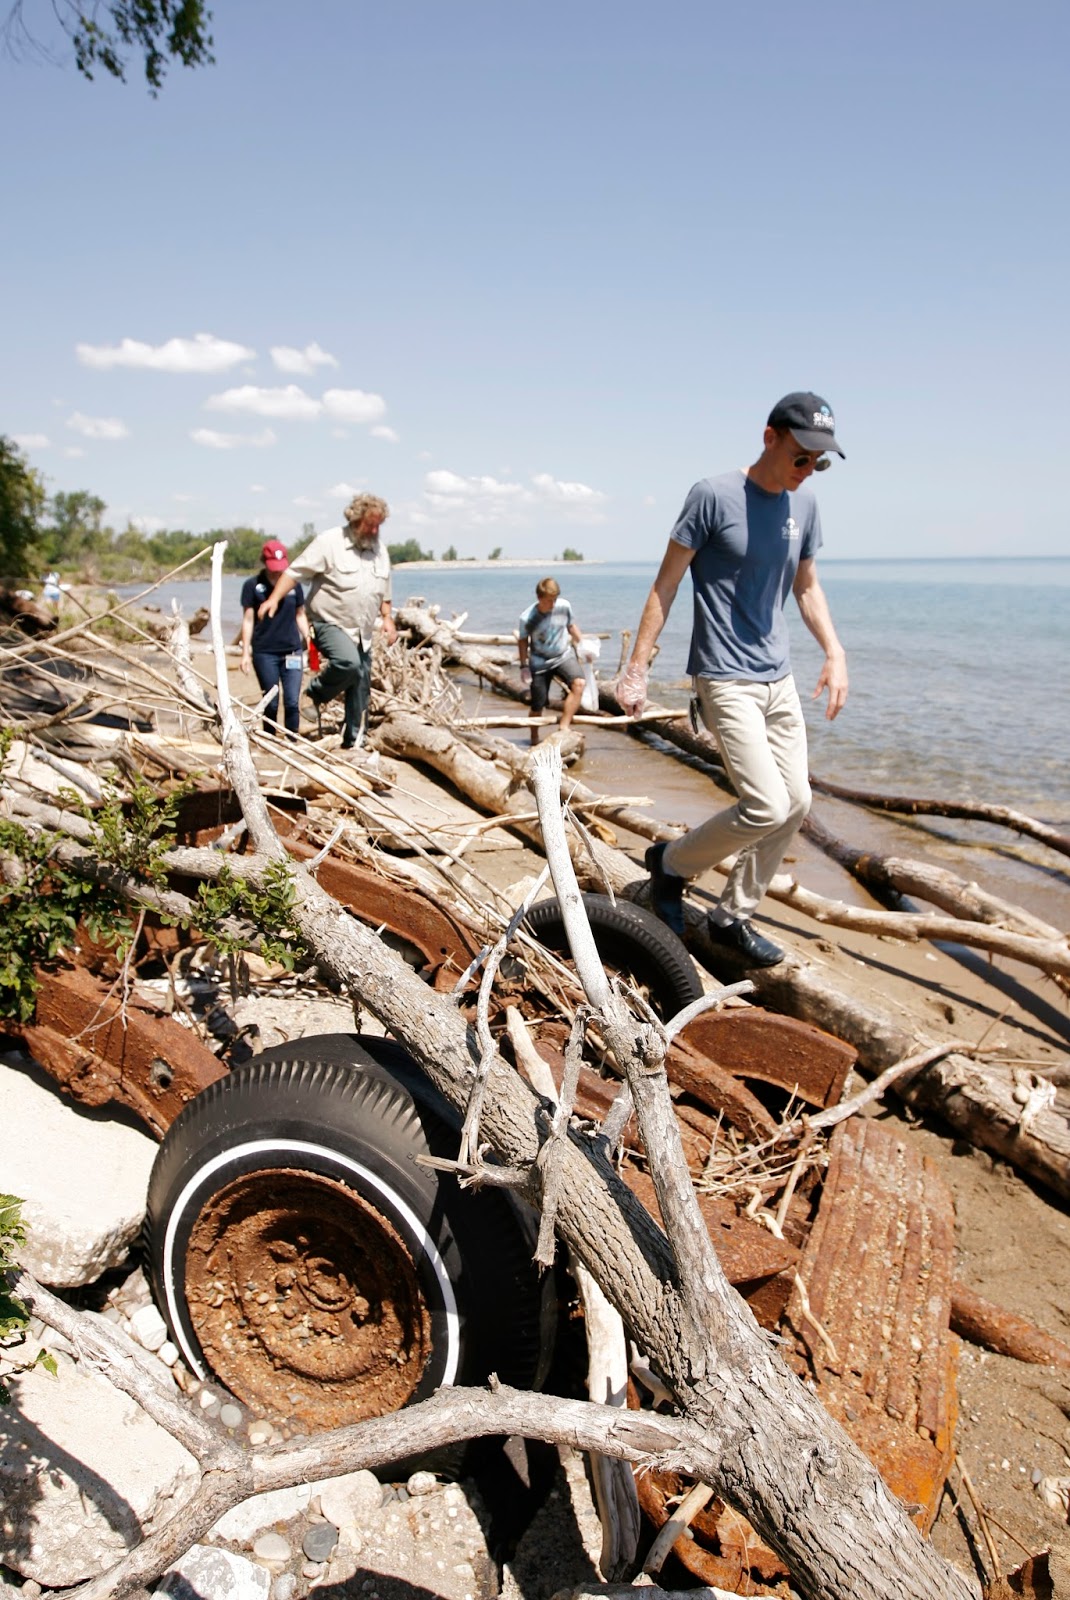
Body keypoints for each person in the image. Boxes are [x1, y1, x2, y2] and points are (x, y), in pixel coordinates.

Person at [617, 391, 849, 968]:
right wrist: (636, 669)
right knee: (767, 803)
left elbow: (807, 586)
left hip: (780, 677)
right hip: (723, 676)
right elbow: (665, 584)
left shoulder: (807, 507)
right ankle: (669, 865)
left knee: (796, 802)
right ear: (769, 437)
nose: (808, 470)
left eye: (818, 462)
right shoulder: (712, 496)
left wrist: (835, 652)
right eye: (801, 457)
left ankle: (731, 918)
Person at [258, 494, 397, 750]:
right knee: (348, 663)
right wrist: (274, 599)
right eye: (370, 524)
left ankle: (354, 743)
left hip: (362, 630)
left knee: (360, 687)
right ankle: (315, 694)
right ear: (355, 520)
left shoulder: (380, 551)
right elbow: (295, 572)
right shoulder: (329, 542)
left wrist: (387, 619)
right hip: (328, 622)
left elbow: (384, 588)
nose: (374, 530)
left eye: (379, 525)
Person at [239, 541, 311, 737]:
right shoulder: (252, 586)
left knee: (292, 700)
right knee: (271, 700)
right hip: (265, 652)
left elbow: (300, 614)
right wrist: (245, 653)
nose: (277, 573)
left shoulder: (294, 586)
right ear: (264, 562)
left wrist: (308, 637)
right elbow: (248, 620)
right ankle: (269, 737)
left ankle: (292, 739)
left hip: (292, 650)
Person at [517, 577, 586, 744]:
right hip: (540, 662)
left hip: (563, 655)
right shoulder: (528, 618)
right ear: (539, 598)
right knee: (538, 704)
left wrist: (583, 644)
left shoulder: (564, 606)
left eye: (555, 599)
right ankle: (534, 737)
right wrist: (524, 666)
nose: (553, 604)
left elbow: (571, 626)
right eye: (549, 601)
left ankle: (564, 726)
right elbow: (523, 641)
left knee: (579, 684)